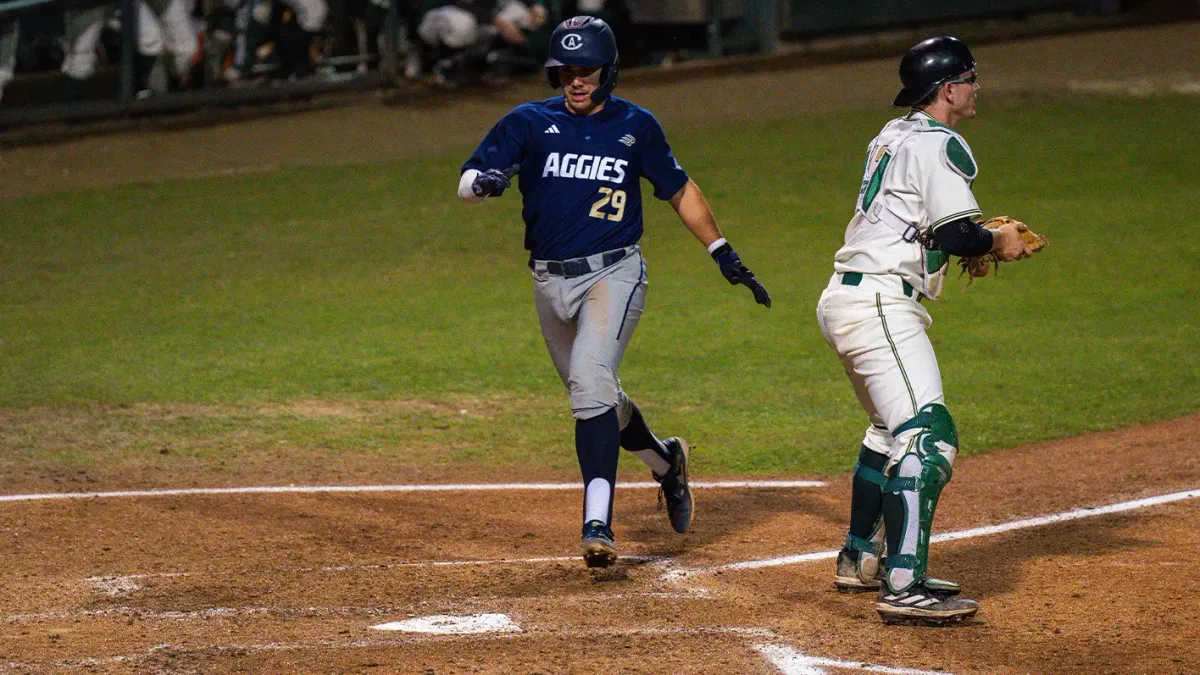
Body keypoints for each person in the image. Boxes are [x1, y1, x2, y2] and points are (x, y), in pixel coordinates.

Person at [458, 16, 770, 568]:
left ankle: (597, 522)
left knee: (588, 384)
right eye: (566, 71)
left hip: (615, 273)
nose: (576, 81)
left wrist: (721, 250)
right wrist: (485, 182)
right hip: (549, 281)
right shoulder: (528, 122)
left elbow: (678, 188)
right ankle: (667, 461)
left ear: (609, 71)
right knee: (598, 396)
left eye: (587, 71)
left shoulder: (636, 126)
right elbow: (467, 182)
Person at [816, 36, 1031, 624]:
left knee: (889, 429)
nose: (975, 87)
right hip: (882, 303)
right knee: (928, 434)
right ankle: (904, 583)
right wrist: (998, 241)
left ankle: (860, 558)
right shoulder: (940, 144)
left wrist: (963, 234)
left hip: (848, 297)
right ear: (948, 89)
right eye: (970, 78)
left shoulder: (893, 134)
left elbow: (925, 224)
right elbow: (958, 234)